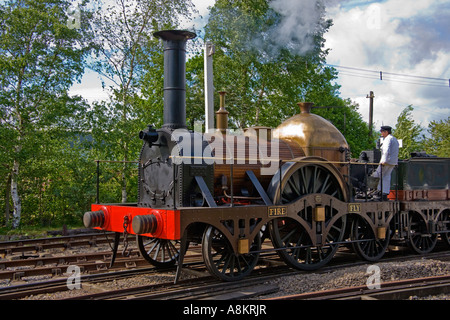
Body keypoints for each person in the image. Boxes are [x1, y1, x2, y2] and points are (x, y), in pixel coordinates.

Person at [372, 126, 399, 200]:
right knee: (387, 176)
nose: (381, 133)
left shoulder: (387, 139)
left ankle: (378, 192)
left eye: (382, 132)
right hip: (393, 162)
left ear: (386, 132)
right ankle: (385, 193)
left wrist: (383, 160)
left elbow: (386, 150)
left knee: (377, 175)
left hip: (386, 161)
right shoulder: (394, 139)